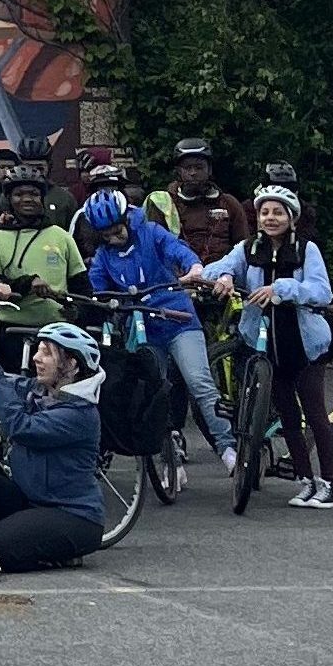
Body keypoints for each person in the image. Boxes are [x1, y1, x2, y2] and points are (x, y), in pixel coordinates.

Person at [78, 189, 233, 476]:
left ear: (127, 219)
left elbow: (179, 251)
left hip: (178, 319)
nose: (114, 238)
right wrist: (102, 302)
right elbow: (97, 290)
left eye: (117, 230)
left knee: (199, 382)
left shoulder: (152, 233)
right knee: (152, 394)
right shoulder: (102, 257)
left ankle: (228, 447)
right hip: (141, 327)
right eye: (106, 235)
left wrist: (194, 268)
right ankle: (167, 456)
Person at [203, 186, 333, 508]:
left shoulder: (307, 250)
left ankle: (330, 486)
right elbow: (215, 268)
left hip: (305, 346)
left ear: (292, 218)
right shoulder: (249, 248)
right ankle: (306, 482)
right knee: (289, 417)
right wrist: (222, 275)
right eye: (265, 212)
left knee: (316, 415)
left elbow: (321, 292)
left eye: (278, 212)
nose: (270, 218)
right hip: (266, 348)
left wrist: (281, 288)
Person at [0, 319, 105, 579]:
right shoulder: (39, 390)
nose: (36, 358)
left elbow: (21, 427)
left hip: (74, 516)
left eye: (46, 352)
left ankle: (58, 553)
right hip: (31, 500)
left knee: (1, 543)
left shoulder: (80, 414)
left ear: (71, 364)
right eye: (38, 350)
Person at [0, 165, 89, 359]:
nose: (27, 199)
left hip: (57, 334)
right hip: (11, 332)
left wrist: (77, 310)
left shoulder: (61, 237)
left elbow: (82, 288)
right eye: (19, 194)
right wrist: (27, 284)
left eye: (34, 193)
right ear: (8, 200)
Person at [146, 139, 247, 262]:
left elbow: (243, 247)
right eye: (187, 168)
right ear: (178, 171)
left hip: (223, 275)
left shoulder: (229, 203)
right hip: (180, 276)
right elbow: (154, 249)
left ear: (209, 169)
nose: (193, 173)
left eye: (199, 167)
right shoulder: (164, 205)